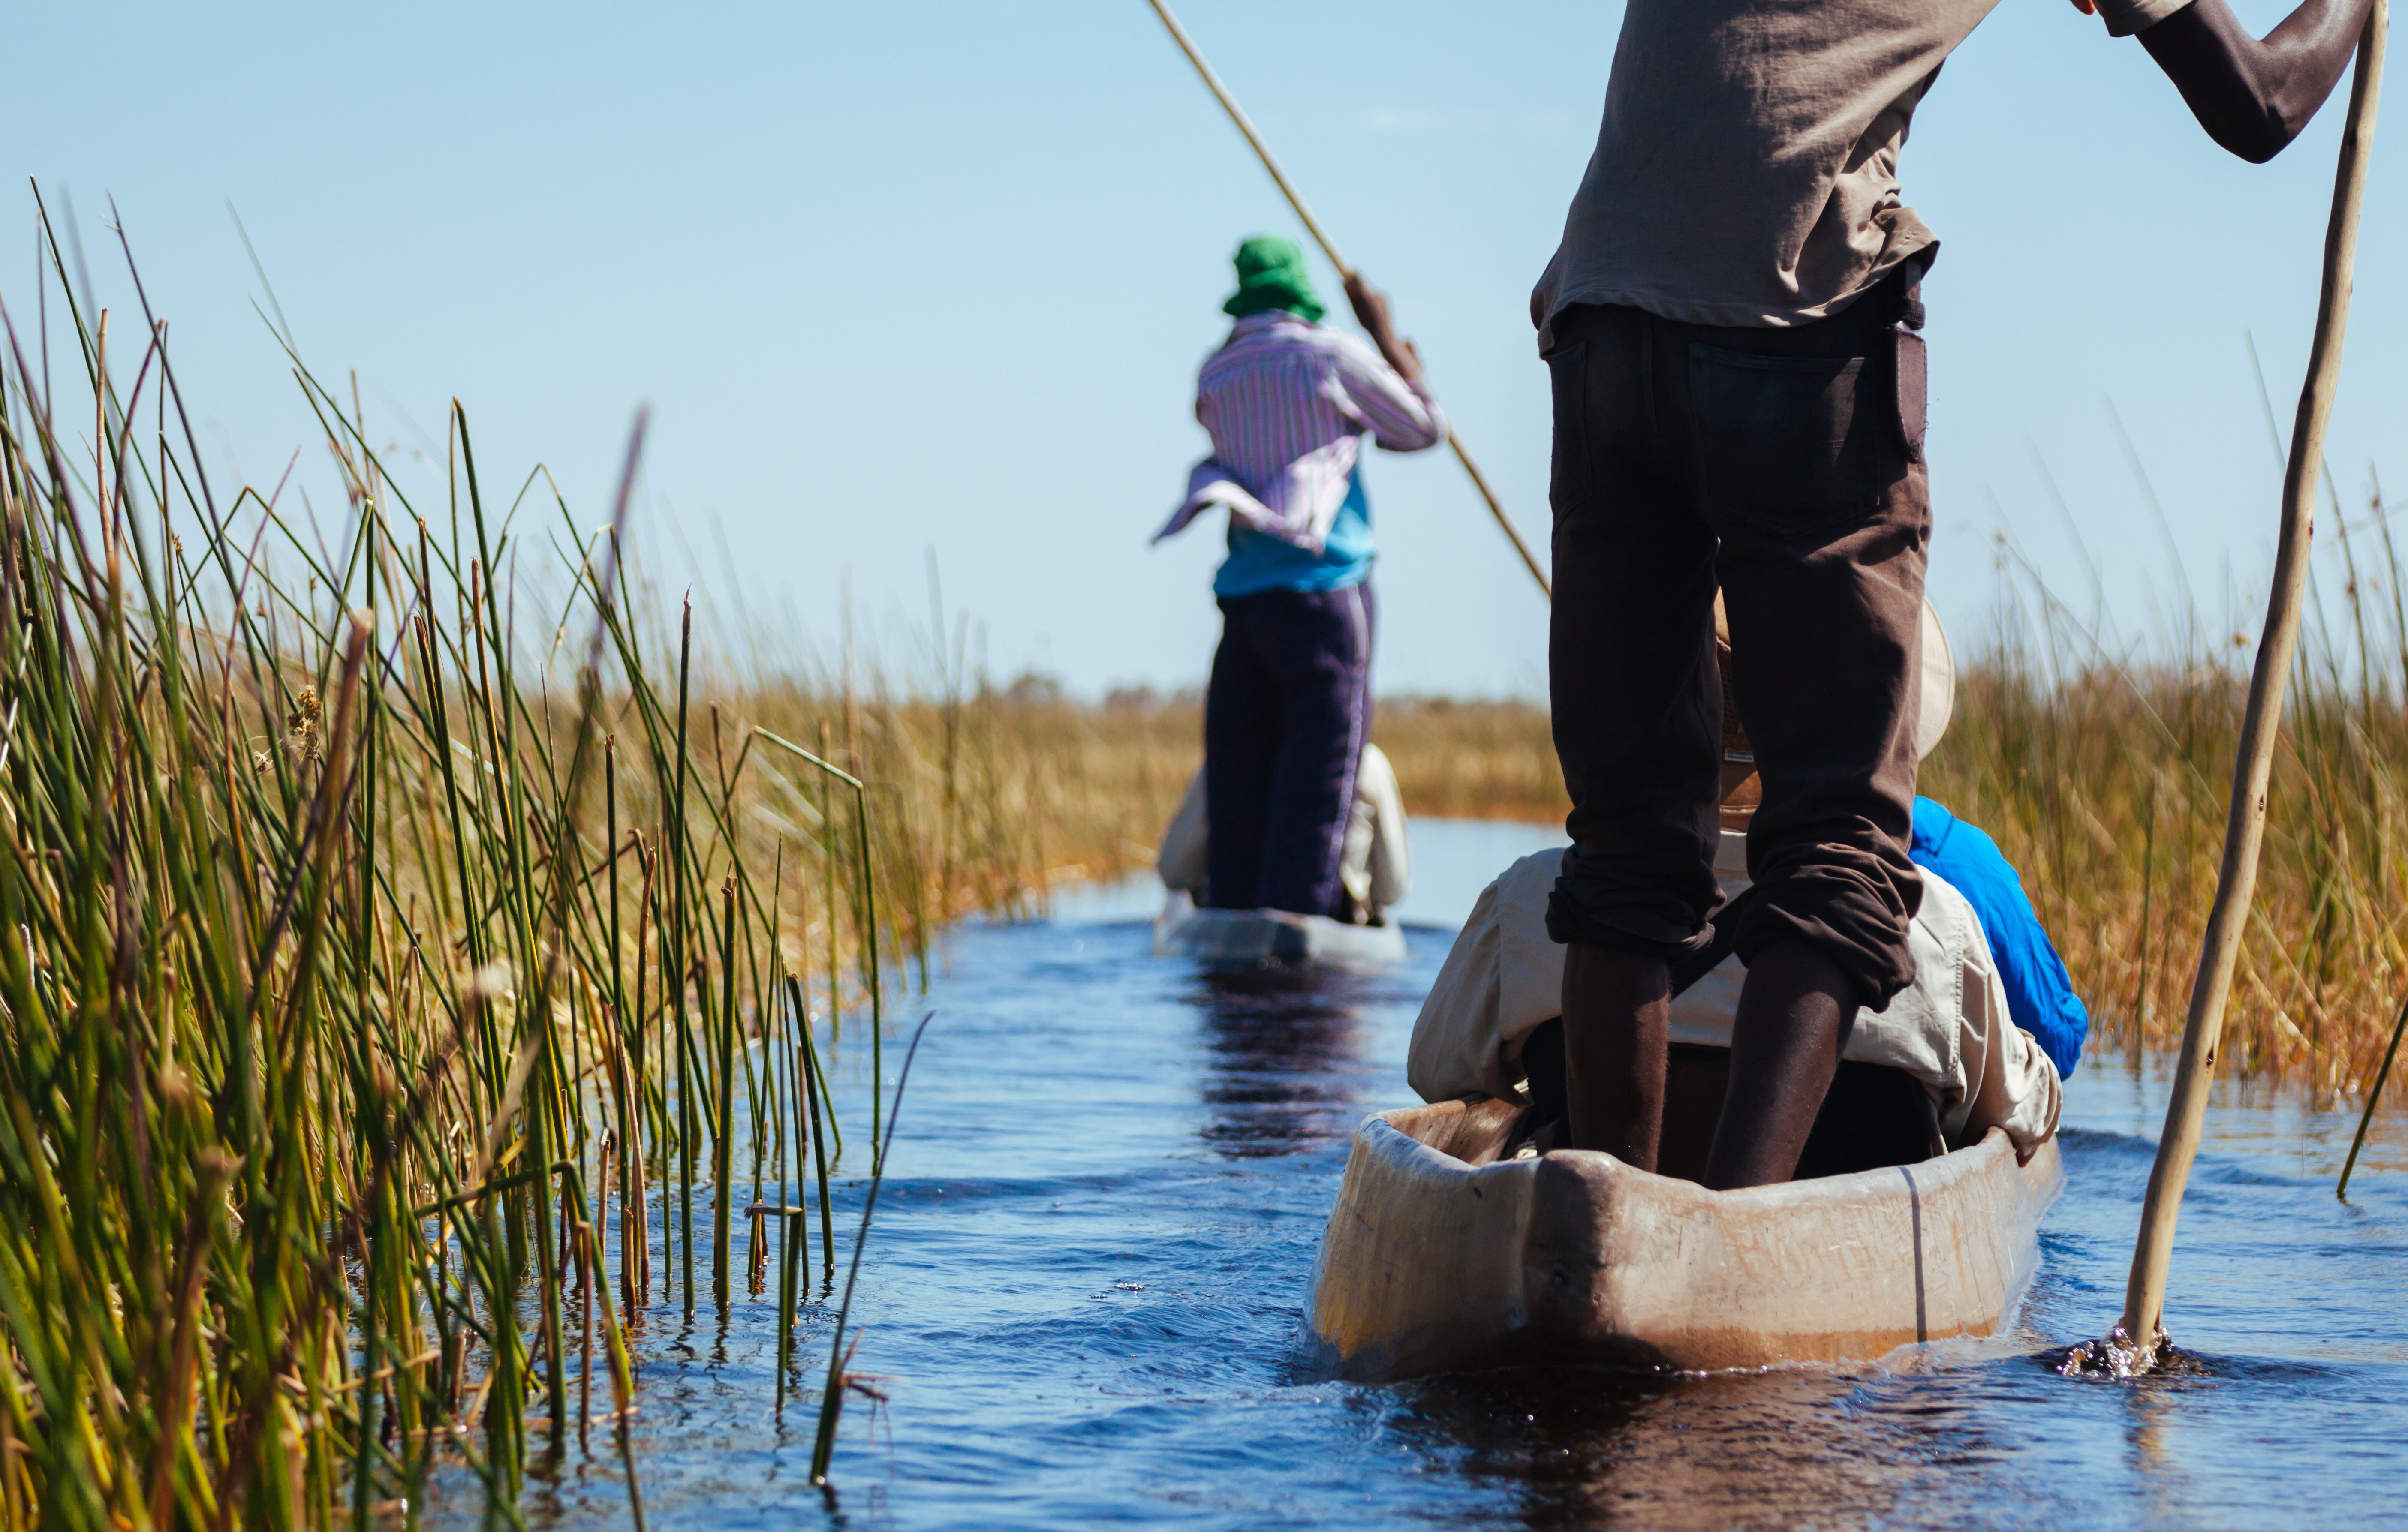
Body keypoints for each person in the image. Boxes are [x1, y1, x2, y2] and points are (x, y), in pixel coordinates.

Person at [1538, 0, 2373, 1188]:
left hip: (1603, 321)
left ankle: (1600, 1225)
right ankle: (1729, 1244)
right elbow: (2265, 102)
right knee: (1836, 842)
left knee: (1628, 839)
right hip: (1797, 317)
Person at [1410, 616, 2078, 1166]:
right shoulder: (1930, 920)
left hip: (1587, 1233)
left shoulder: (1532, 896)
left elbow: (1440, 1076)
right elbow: (2021, 1108)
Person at [1153, 234, 1445, 916]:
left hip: (1245, 607)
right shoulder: (1331, 355)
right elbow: (1424, 427)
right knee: (1318, 793)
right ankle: (1297, 965)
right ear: (1301, 293)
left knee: (1239, 793)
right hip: (1326, 597)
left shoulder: (1215, 374)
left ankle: (1232, 948)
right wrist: (1387, 336)